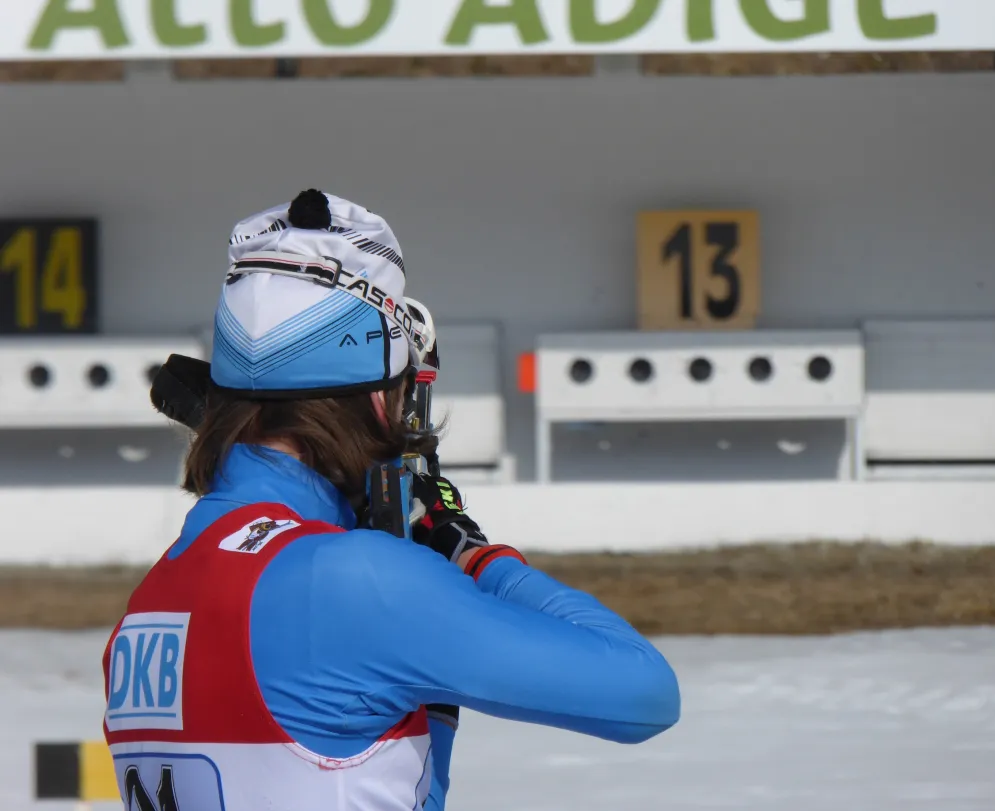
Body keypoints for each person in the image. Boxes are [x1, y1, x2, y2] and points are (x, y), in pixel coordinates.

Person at [100, 190, 681, 811]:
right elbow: (644, 693)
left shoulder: (151, 603)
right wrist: (471, 554)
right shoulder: (356, 579)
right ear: (380, 401)